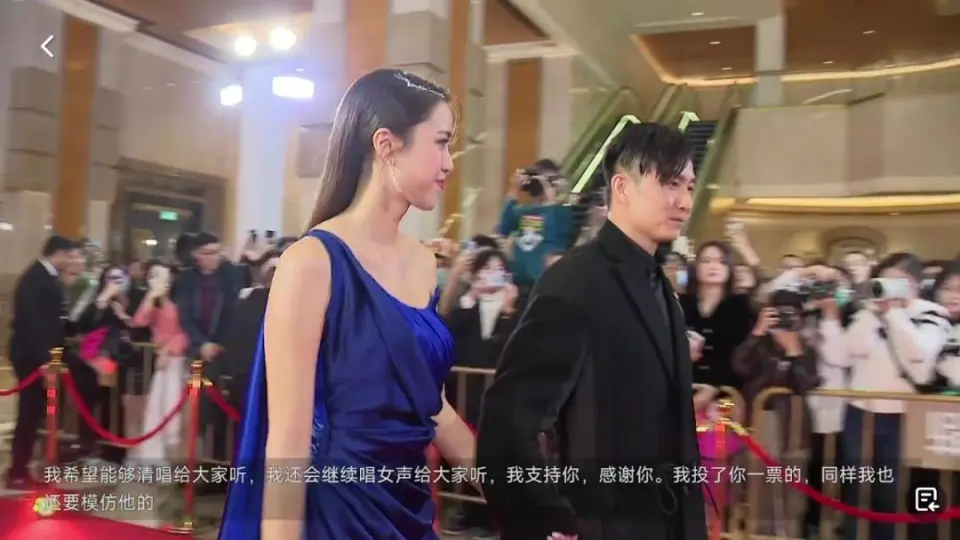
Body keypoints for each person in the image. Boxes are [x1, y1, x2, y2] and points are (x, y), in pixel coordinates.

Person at [219, 68, 476, 540]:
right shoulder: (312, 262)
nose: (449, 163)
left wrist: (523, 501)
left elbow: (432, 405)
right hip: (338, 513)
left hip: (410, 507)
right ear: (386, 144)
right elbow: (288, 440)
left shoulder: (424, 263)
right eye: (440, 143)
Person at [477, 122, 706, 540]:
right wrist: (549, 522)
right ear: (622, 186)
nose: (685, 201)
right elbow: (506, 426)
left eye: (690, 187)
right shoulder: (575, 282)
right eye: (670, 184)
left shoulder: (661, 287)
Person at [826, 253, 951, 540]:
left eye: (898, 281)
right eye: (884, 280)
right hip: (859, 412)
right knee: (855, 484)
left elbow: (919, 354)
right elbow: (852, 350)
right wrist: (873, 313)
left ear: (916, 284)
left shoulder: (931, 313)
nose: (888, 287)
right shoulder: (867, 311)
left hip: (904, 416)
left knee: (891, 488)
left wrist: (894, 314)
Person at [6, 235, 86, 489]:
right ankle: (18, 471)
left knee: (35, 413)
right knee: (29, 413)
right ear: (58, 253)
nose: (72, 261)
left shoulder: (47, 277)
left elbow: (53, 319)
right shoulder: (36, 278)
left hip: (43, 353)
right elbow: (34, 325)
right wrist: (45, 361)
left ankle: (27, 465)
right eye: (70, 256)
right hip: (31, 355)